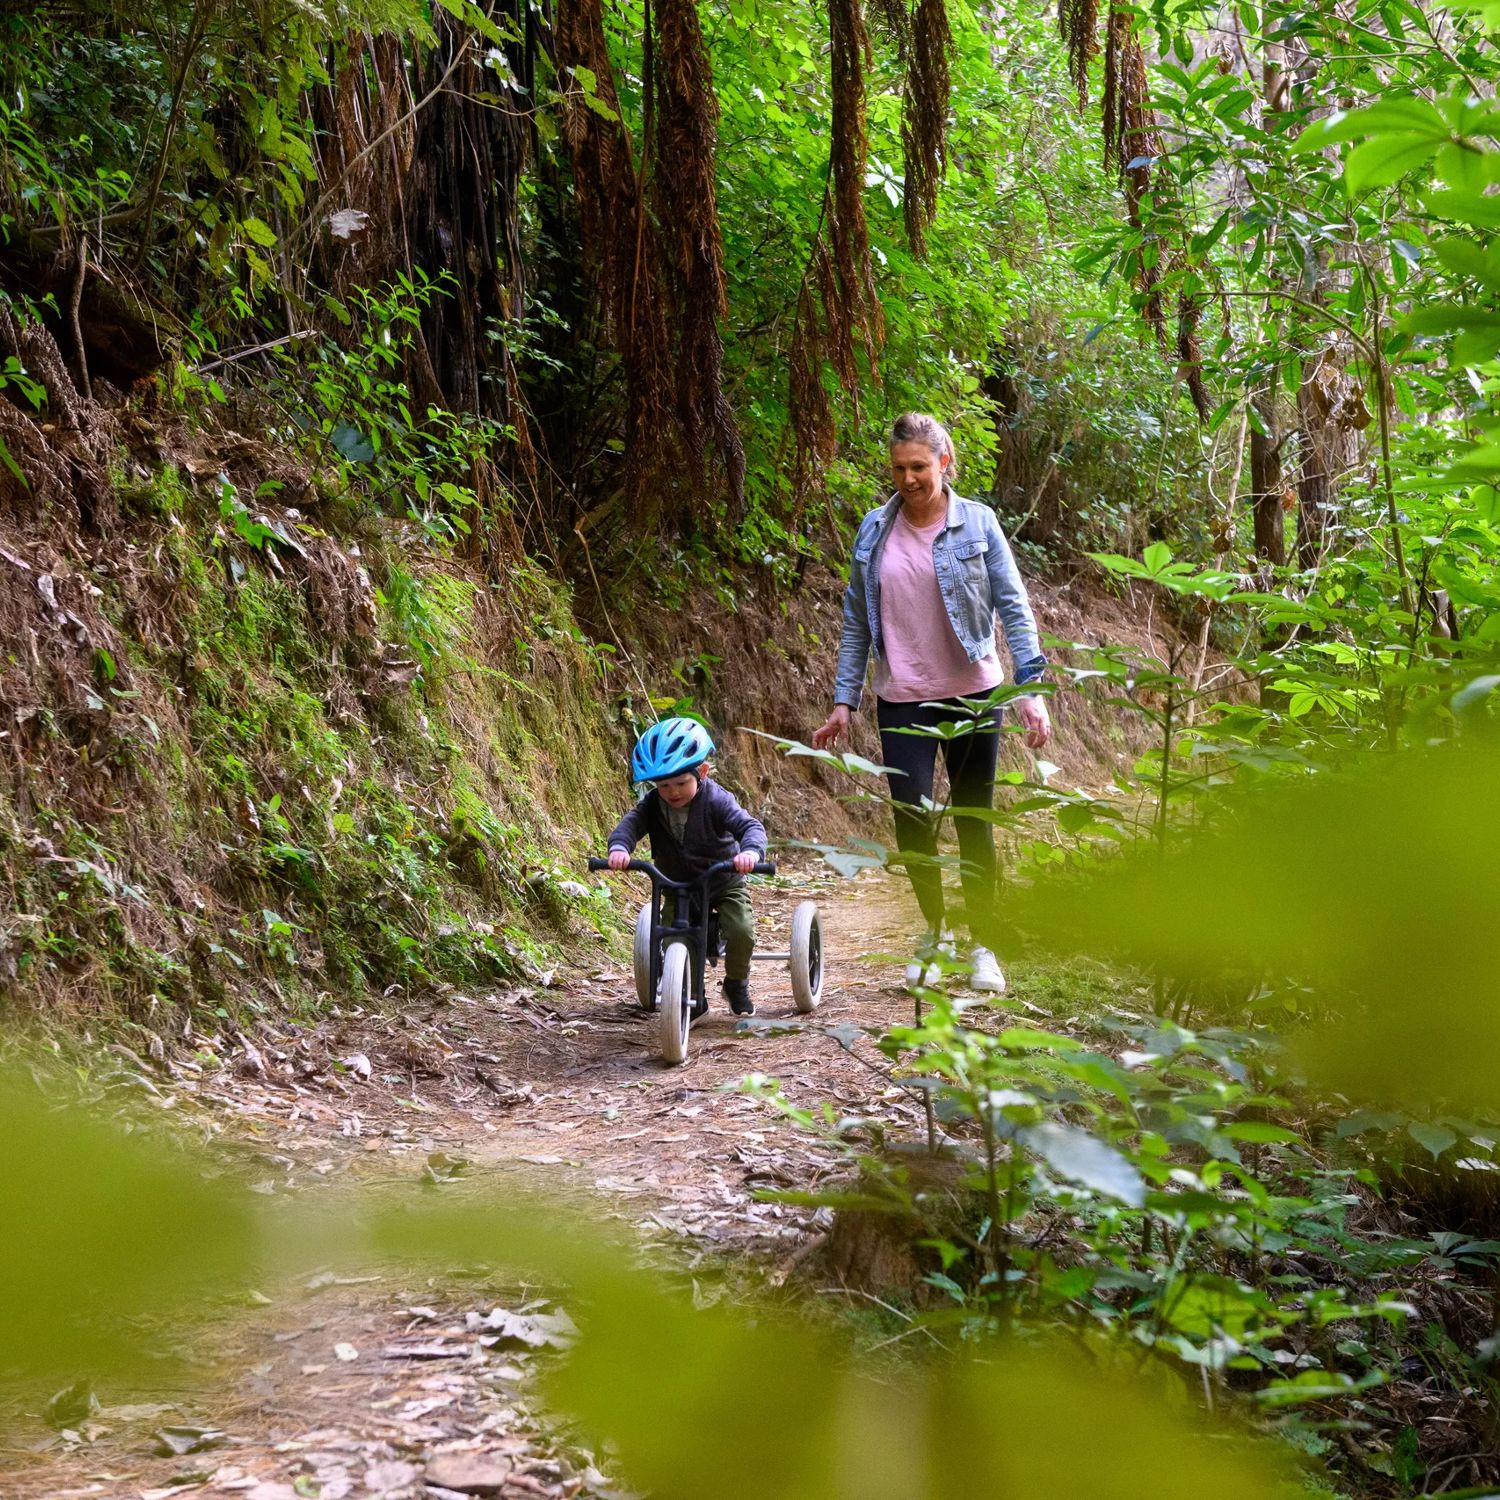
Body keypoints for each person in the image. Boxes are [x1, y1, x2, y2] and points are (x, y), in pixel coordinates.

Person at [812, 412, 1052, 994]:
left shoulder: (979, 523)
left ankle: (984, 944)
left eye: (919, 466)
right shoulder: (873, 531)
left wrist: (1029, 691)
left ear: (944, 463)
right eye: (899, 468)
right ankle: (936, 931)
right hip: (902, 698)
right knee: (913, 823)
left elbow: (1013, 606)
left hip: (974, 693)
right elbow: (855, 623)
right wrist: (844, 700)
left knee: (973, 819)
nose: (909, 478)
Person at [606, 716, 768, 1017]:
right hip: (678, 886)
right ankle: (693, 994)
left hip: (722, 881)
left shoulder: (717, 799)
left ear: (702, 772)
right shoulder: (653, 804)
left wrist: (750, 853)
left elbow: (750, 826)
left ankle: (736, 983)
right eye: (664, 785)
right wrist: (619, 848)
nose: (673, 792)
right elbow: (628, 827)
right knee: (673, 936)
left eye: (682, 783)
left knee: (741, 930)